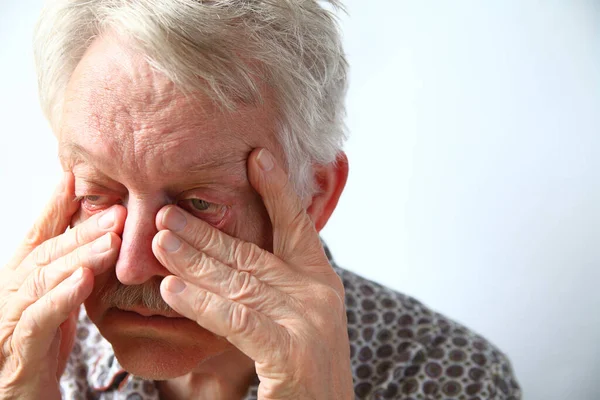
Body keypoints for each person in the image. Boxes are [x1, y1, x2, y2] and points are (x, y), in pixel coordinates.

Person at [0, 0, 521, 399]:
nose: (134, 267)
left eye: (199, 205)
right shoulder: (22, 362)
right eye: (97, 194)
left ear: (314, 196)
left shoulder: (449, 375)